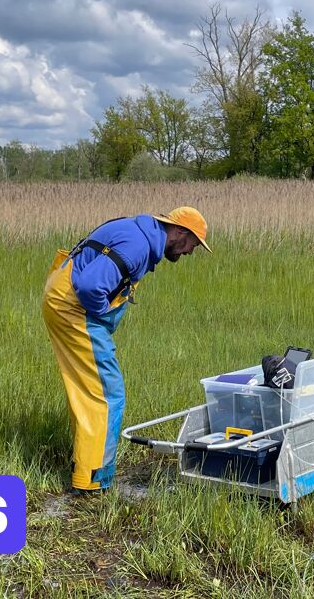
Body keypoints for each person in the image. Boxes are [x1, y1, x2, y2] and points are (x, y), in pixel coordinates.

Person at [42, 207, 211, 493]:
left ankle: (85, 466)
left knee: (88, 391)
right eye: (193, 245)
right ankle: (93, 481)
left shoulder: (138, 233)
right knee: (106, 395)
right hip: (76, 311)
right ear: (180, 232)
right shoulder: (137, 246)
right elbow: (90, 286)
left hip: (60, 301)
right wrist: (101, 315)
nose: (190, 253)